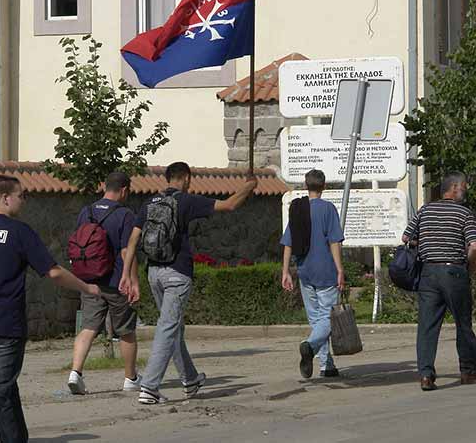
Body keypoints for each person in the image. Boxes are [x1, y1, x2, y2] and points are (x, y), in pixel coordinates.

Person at [0, 175, 101, 443]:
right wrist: (86, 287)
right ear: (5, 198)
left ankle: (15, 438)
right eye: (21, 195)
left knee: (3, 382)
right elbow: (53, 272)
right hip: (6, 325)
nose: (24, 200)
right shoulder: (19, 231)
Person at [119, 162, 256, 405]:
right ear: (185, 178)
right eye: (189, 180)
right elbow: (229, 204)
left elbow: (132, 241)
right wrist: (249, 187)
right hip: (177, 274)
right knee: (168, 328)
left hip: (154, 273)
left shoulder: (150, 202)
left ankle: (190, 380)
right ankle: (149, 387)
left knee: (174, 328)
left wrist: (126, 276)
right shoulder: (186, 201)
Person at [402, 171, 476, 392]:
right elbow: (474, 246)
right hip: (454, 272)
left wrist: (427, 243)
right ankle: (468, 370)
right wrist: (471, 264)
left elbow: (406, 237)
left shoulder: (425, 210)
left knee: (427, 326)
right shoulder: (464, 213)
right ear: (454, 188)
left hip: (428, 273)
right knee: (463, 322)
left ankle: (426, 375)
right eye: (464, 186)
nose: (466, 190)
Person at [67, 171, 140, 395]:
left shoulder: (86, 211)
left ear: (104, 186)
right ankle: (130, 378)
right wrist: (133, 281)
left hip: (90, 280)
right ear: (124, 190)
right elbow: (127, 251)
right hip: (117, 281)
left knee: (88, 327)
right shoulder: (125, 214)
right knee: (126, 331)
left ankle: (75, 373)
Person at [279, 169, 346, 379]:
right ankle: (309, 346)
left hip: (304, 271)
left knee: (317, 319)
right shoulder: (328, 209)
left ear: (306, 186)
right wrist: (340, 269)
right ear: (324, 186)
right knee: (327, 318)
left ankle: (327, 365)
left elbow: (288, 242)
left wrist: (285, 271)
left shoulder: (298, 209)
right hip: (325, 270)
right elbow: (334, 241)